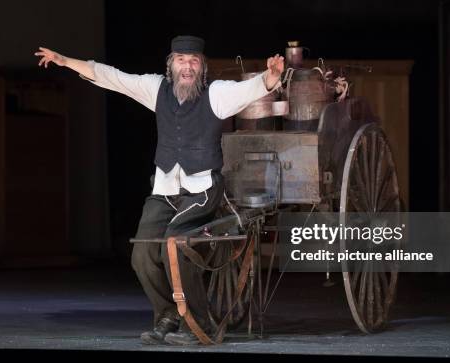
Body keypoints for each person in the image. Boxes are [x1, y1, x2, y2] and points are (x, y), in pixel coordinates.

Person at [34, 35, 284, 345]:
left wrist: (271, 76)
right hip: (165, 186)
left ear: (202, 66)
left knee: (174, 245)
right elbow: (115, 78)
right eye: (181, 60)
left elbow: (248, 90)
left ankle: (198, 322)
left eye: (193, 61)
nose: (187, 67)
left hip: (201, 188)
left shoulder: (216, 94)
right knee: (141, 253)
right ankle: (167, 314)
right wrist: (65, 61)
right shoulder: (156, 89)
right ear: (171, 64)